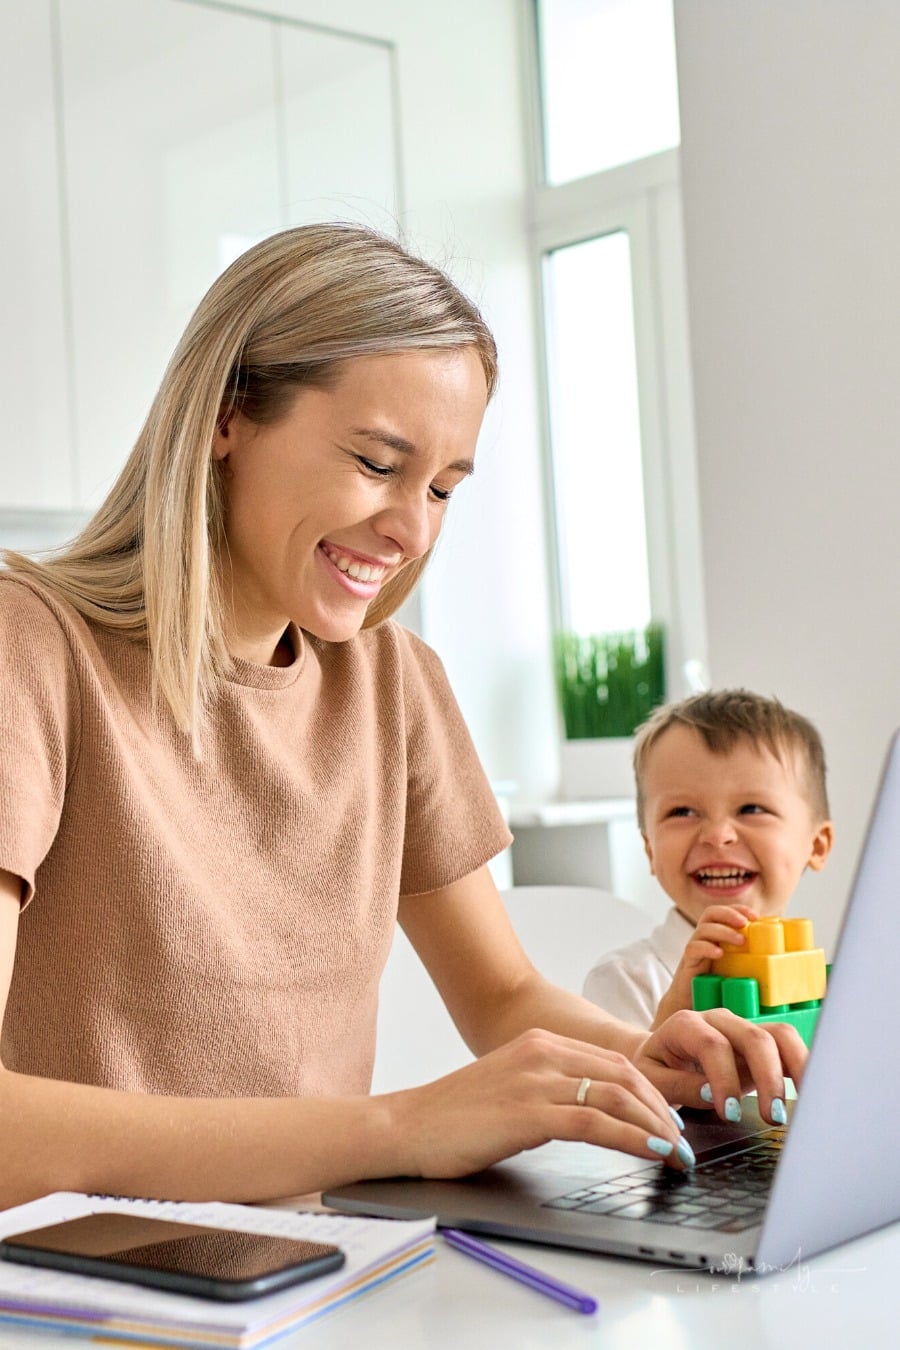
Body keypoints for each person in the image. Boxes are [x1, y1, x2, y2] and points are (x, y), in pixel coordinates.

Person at [0, 224, 805, 1214]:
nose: (414, 530)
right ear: (228, 415)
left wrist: (649, 1063)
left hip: (320, 1275)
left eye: (440, 489)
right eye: (379, 465)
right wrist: (398, 1129)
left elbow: (502, 998)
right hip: (78, 1293)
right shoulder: (30, 651)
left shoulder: (392, 682)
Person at [583, 689, 834, 1037]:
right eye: (682, 812)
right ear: (649, 849)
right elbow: (625, 1087)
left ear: (817, 845)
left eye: (752, 809)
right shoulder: (625, 982)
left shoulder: (836, 982)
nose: (717, 835)